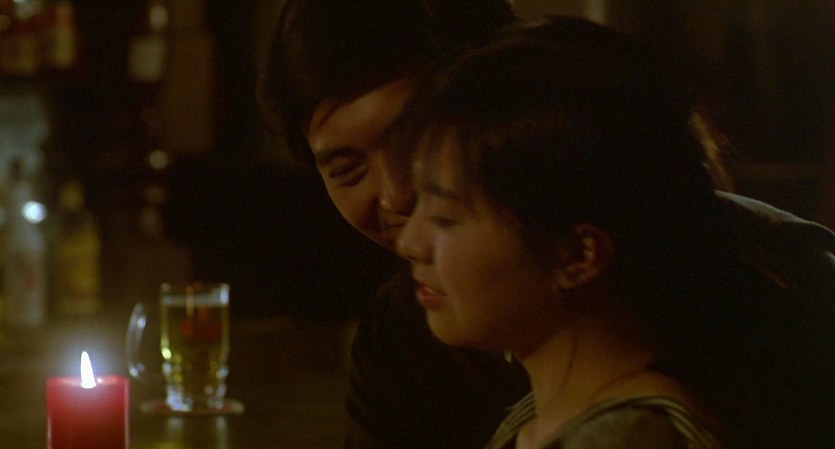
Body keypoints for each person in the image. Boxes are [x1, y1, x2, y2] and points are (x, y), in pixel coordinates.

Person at [395, 16, 835, 449]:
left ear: (578, 255)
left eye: (445, 218)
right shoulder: (548, 417)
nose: (409, 243)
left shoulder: (631, 437)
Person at [257, 1, 530, 448]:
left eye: (414, 140)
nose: (395, 195)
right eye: (348, 169)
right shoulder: (400, 333)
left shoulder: (634, 311)